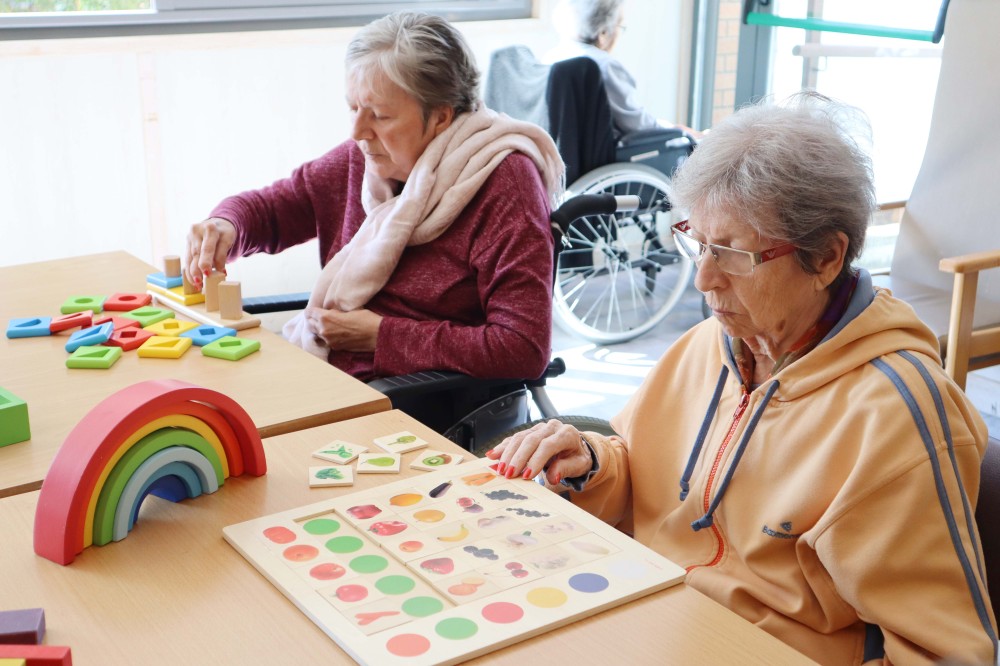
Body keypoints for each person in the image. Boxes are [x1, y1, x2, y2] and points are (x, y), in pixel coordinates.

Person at [488, 93, 997, 664]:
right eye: (698, 243)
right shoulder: (714, 344)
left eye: (731, 253)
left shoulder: (896, 415)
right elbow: (643, 471)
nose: (704, 279)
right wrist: (591, 462)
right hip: (639, 615)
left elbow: (948, 652)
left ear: (826, 258)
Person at [184, 11, 564, 382]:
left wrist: (382, 336)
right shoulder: (361, 159)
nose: (357, 132)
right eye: (353, 107)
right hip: (335, 377)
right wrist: (226, 225)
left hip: (420, 404)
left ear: (441, 118)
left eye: (380, 115)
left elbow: (522, 348)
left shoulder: (504, 183)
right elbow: (273, 210)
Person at [545, 0, 699, 138]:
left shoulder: (552, 57)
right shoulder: (603, 66)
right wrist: (677, 132)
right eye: (620, 26)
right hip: (608, 162)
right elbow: (637, 125)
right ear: (603, 32)